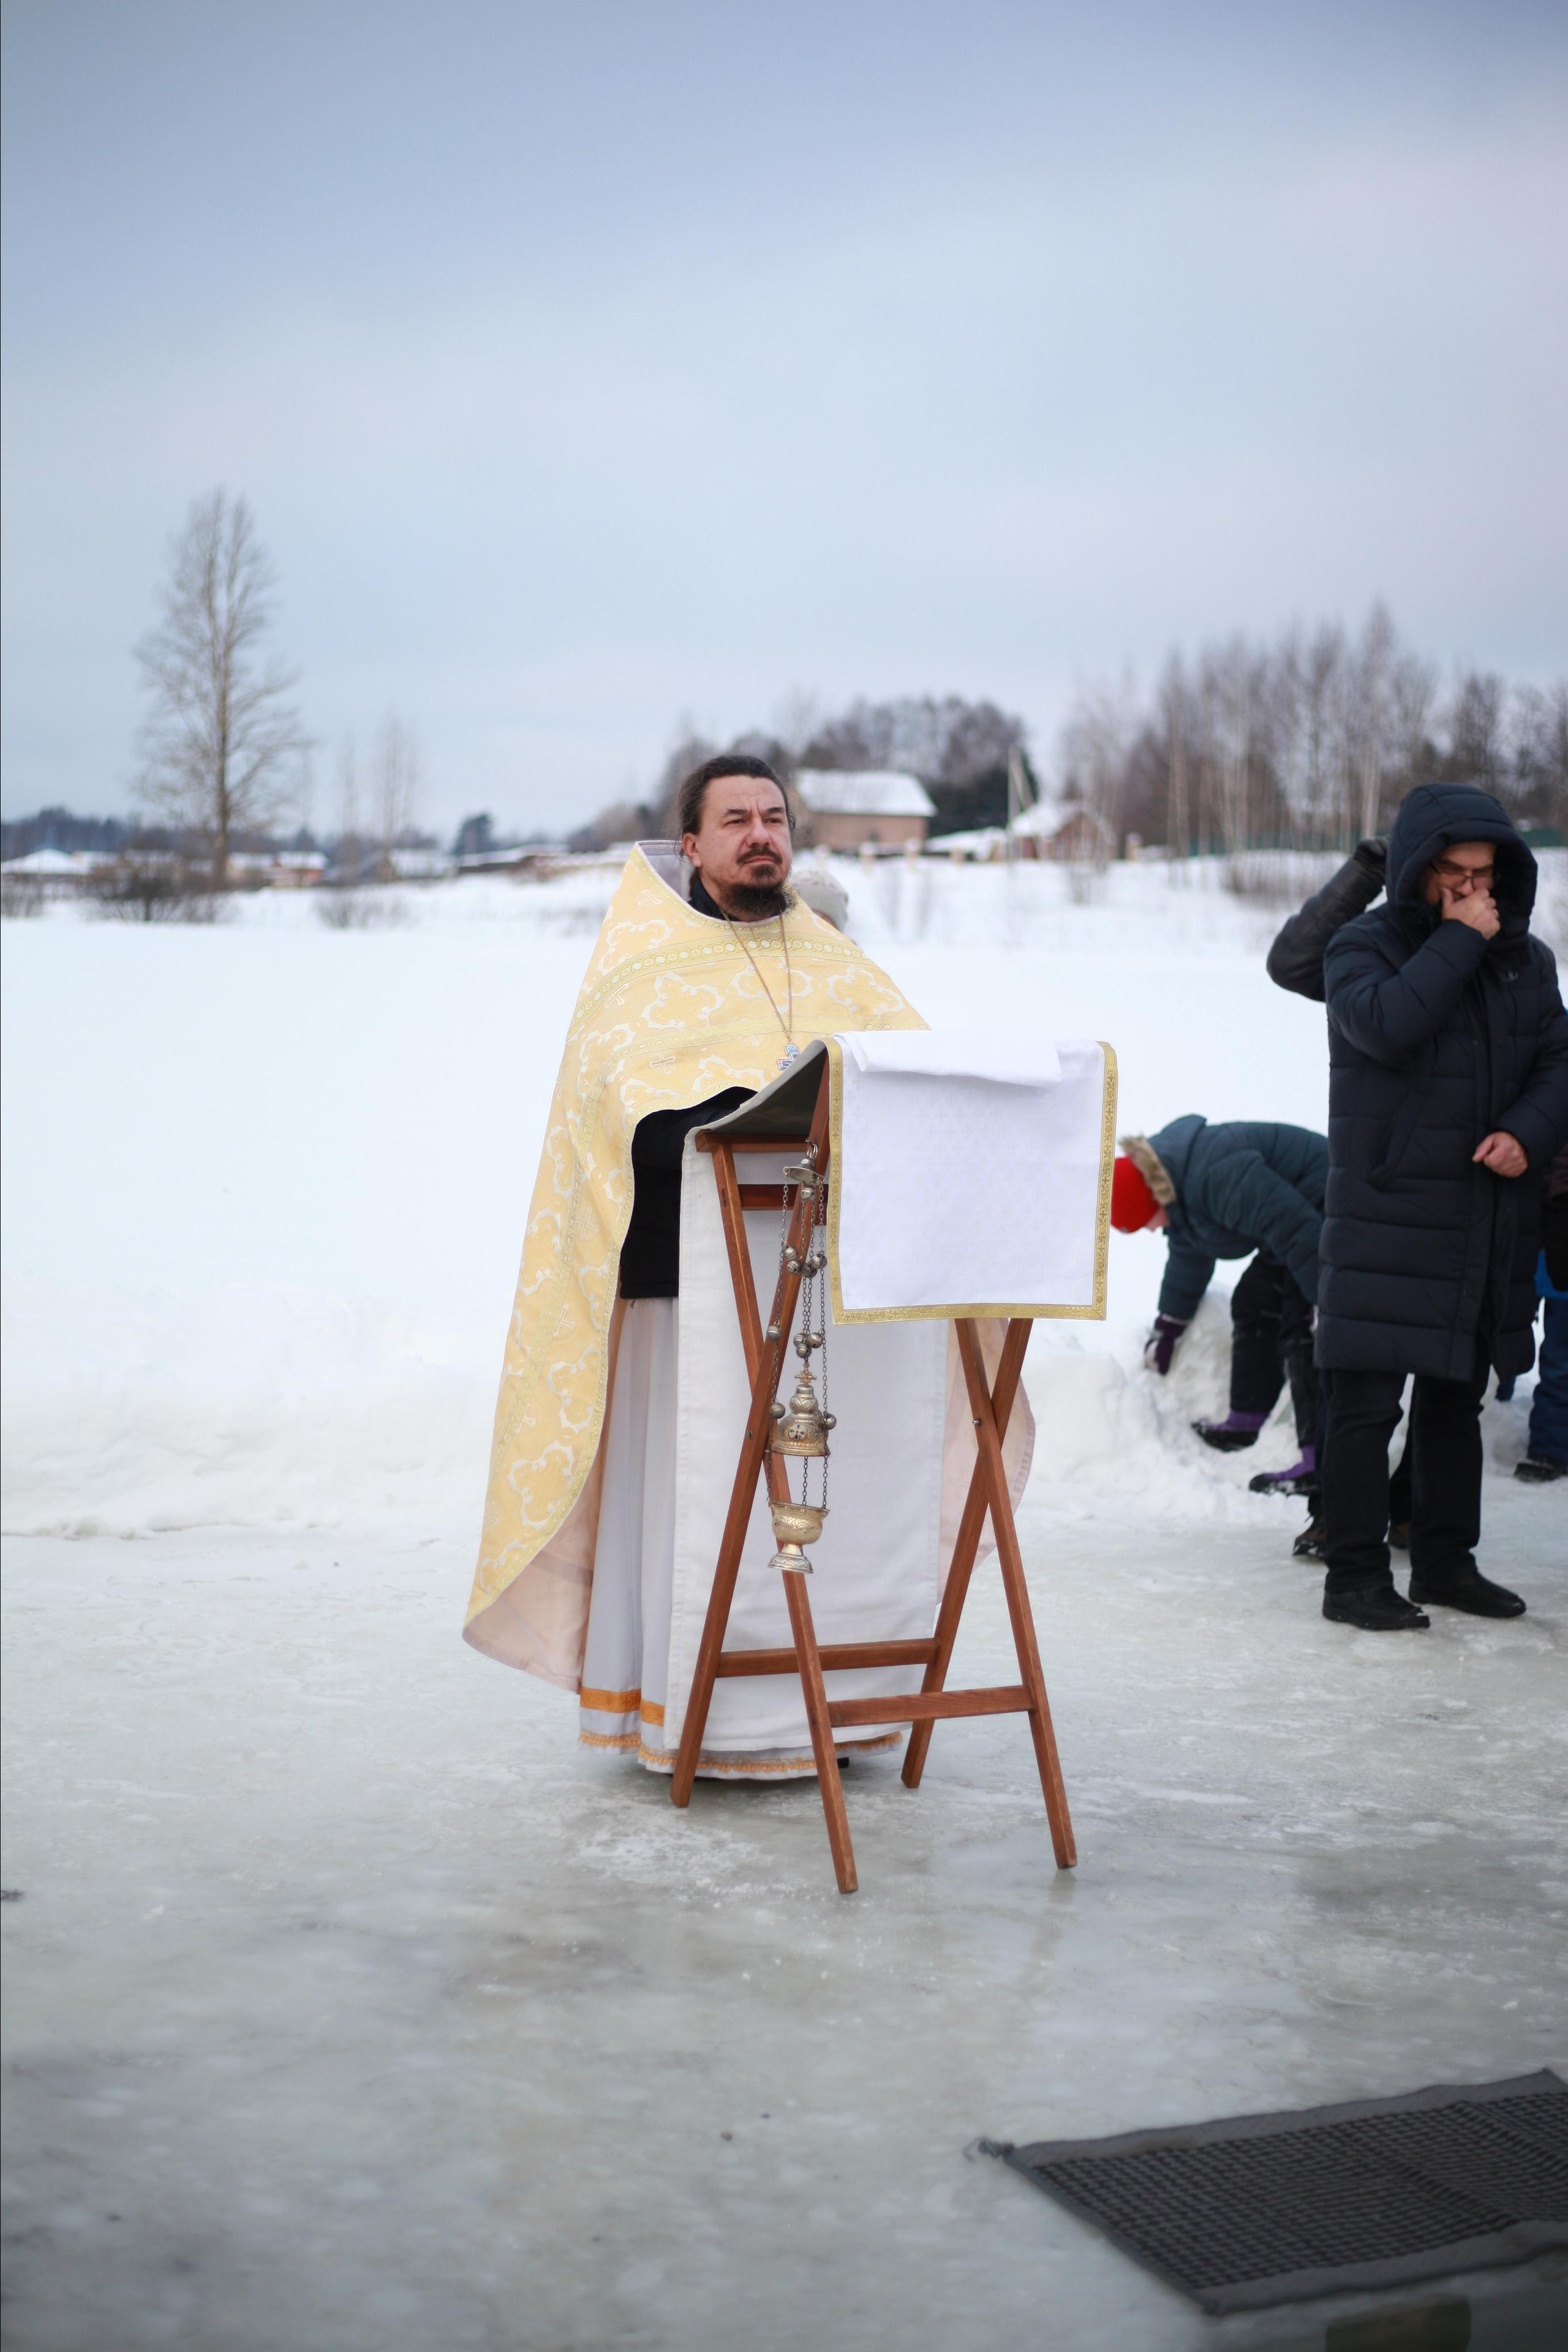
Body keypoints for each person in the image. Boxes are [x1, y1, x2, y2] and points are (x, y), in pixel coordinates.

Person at [462, 755, 1031, 1776]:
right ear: (692, 845)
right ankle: (700, 1723)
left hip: (838, 1302)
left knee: (835, 1520)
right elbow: (616, 1127)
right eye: (737, 820)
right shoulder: (640, 968)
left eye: (775, 817)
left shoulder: (838, 963)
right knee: (699, 1515)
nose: (762, 834)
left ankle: (836, 1711)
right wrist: (725, 1116)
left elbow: (906, 1084)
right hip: (691, 1297)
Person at [1316, 782, 1568, 1629]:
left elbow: (1560, 1063)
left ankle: (1446, 1562)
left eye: (1483, 876)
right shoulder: (1362, 949)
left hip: (1484, 1212)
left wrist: (1526, 1134)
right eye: (1452, 874)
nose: (1469, 890)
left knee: (1456, 1398)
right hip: (1388, 1208)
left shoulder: (1525, 960)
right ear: (1420, 869)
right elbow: (1385, 1026)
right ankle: (1352, 1575)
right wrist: (1460, 941)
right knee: (1365, 1404)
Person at [1265, 837, 1412, 1553]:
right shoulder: (1371, 946)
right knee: (1354, 1371)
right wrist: (1365, 873)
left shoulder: (1494, 946)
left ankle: (1417, 1513)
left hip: (1464, 1181)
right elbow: (1291, 963)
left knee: (1450, 1383)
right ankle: (1342, 1519)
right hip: (1368, 1186)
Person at [1110, 1121, 1328, 1466]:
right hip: (1294, 1228)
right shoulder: (1179, 1190)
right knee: (1253, 1301)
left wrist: (1325, 1299)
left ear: (1153, 1195)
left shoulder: (1217, 1176)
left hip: (1327, 1209)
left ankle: (1319, 1458)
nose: (1152, 1230)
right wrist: (1168, 1330)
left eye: (1146, 1221)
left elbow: (1297, 1227)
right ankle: (1246, 1420)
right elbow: (1188, 1262)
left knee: (1299, 1322)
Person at [1515, 1141, 1568, 1482]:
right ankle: (1495, 1410)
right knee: (1502, 1332)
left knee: (1561, 1355)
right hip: (1531, 1228)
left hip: (1557, 1227)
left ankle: (1550, 1448)